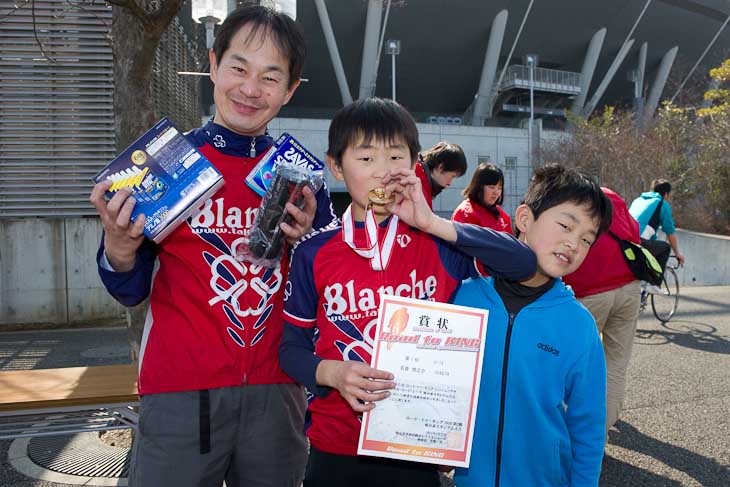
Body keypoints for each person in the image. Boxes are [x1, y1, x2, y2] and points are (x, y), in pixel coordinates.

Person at [89, 5, 337, 487]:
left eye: (270, 77)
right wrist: (119, 245)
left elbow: (332, 290)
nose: (250, 89)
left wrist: (309, 239)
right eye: (238, 68)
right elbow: (129, 286)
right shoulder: (167, 167)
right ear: (212, 65)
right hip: (181, 390)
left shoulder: (303, 182)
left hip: (278, 389)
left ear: (288, 90)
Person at [278, 97, 536, 487]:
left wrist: (432, 222)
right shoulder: (314, 251)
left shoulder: (439, 243)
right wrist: (332, 372)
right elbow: (290, 349)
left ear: (416, 163)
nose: (383, 173)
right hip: (336, 446)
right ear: (335, 166)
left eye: (396, 158)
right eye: (366, 160)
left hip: (418, 446)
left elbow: (523, 264)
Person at [453, 164, 612, 487]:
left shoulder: (579, 325)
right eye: (566, 226)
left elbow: (588, 426)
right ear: (524, 219)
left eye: (586, 239)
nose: (573, 244)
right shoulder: (464, 299)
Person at [563, 187, 641, 432]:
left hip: (590, 293)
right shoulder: (616, 201)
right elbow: (635, 235)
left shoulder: (576, 203)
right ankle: (600, 431)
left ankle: (576, 433)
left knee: (575, 364)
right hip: (628, 289)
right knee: (616, 364)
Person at [629, 178, 685, 273]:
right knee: (665, 248)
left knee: (653, 248)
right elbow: (670, 233)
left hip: (625, 239)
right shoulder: (661, 203)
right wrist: (677, 253)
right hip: (639, 242)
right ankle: (654, 286)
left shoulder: (638, 200)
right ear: (666, 194)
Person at [452, 162, 512, 234]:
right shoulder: (466, 213)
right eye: (491, 187)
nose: (496, 192)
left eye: (499, 188)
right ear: (478, 187)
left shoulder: (502, 216)